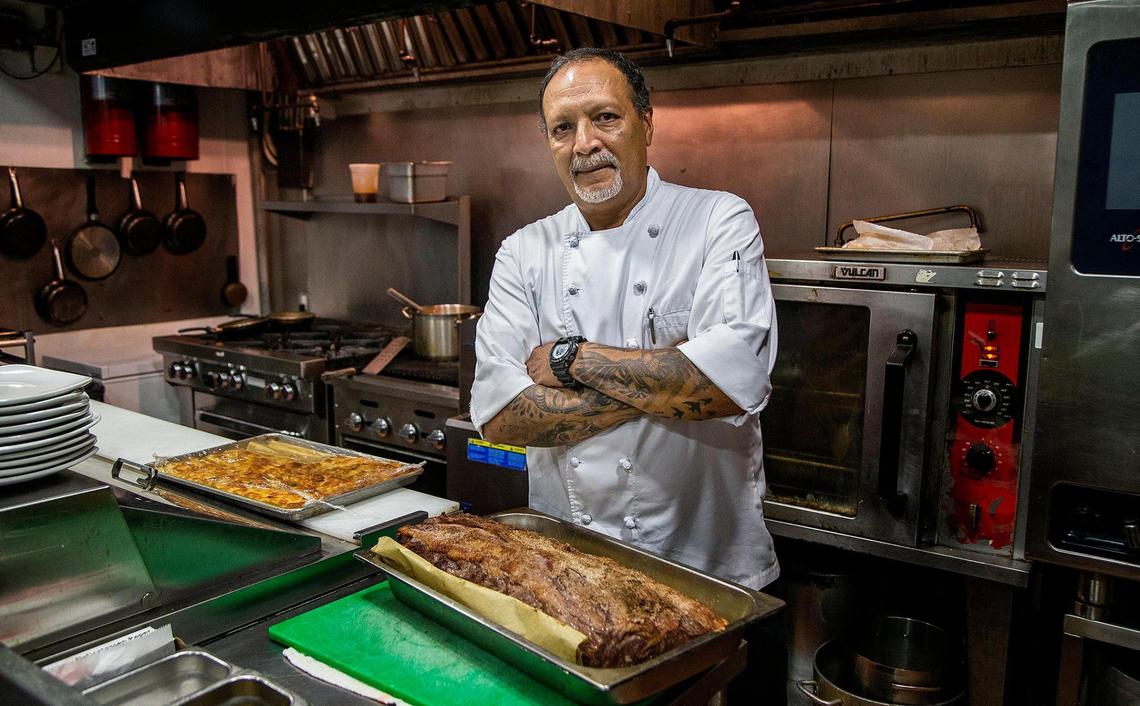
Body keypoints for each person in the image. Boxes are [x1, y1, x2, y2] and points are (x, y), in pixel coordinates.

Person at [469, 48, 784, 701]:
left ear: (646, 122)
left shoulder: (718, 220)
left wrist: (570, 360)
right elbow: (500, 417)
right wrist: (673, 371)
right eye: (563, 127)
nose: (585, 143)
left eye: (605, 118)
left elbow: (734, 383)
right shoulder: (524, 253)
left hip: (707, 572)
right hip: (571, 577)